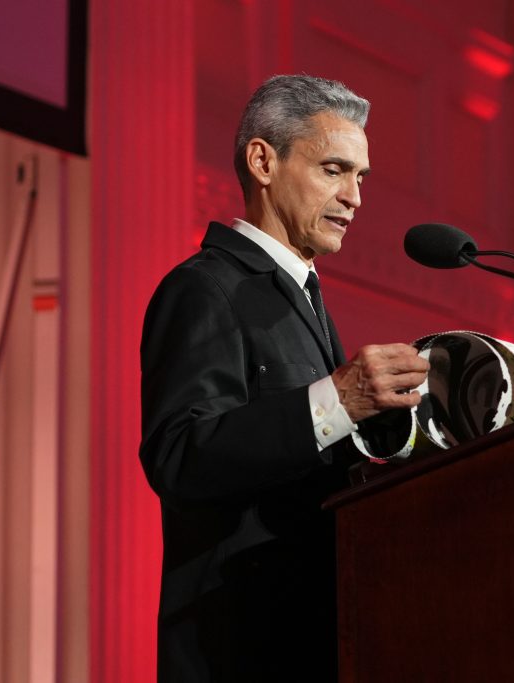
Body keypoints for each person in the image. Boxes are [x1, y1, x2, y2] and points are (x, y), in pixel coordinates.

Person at [139, 74, 429, 682]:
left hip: (311, 643)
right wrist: (339, 399)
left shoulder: (300, 297)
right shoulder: (205, 288)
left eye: (361, 177)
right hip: (238, 651)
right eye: (334, 169)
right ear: (263, 161)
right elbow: (179, 456)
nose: (355, 197)